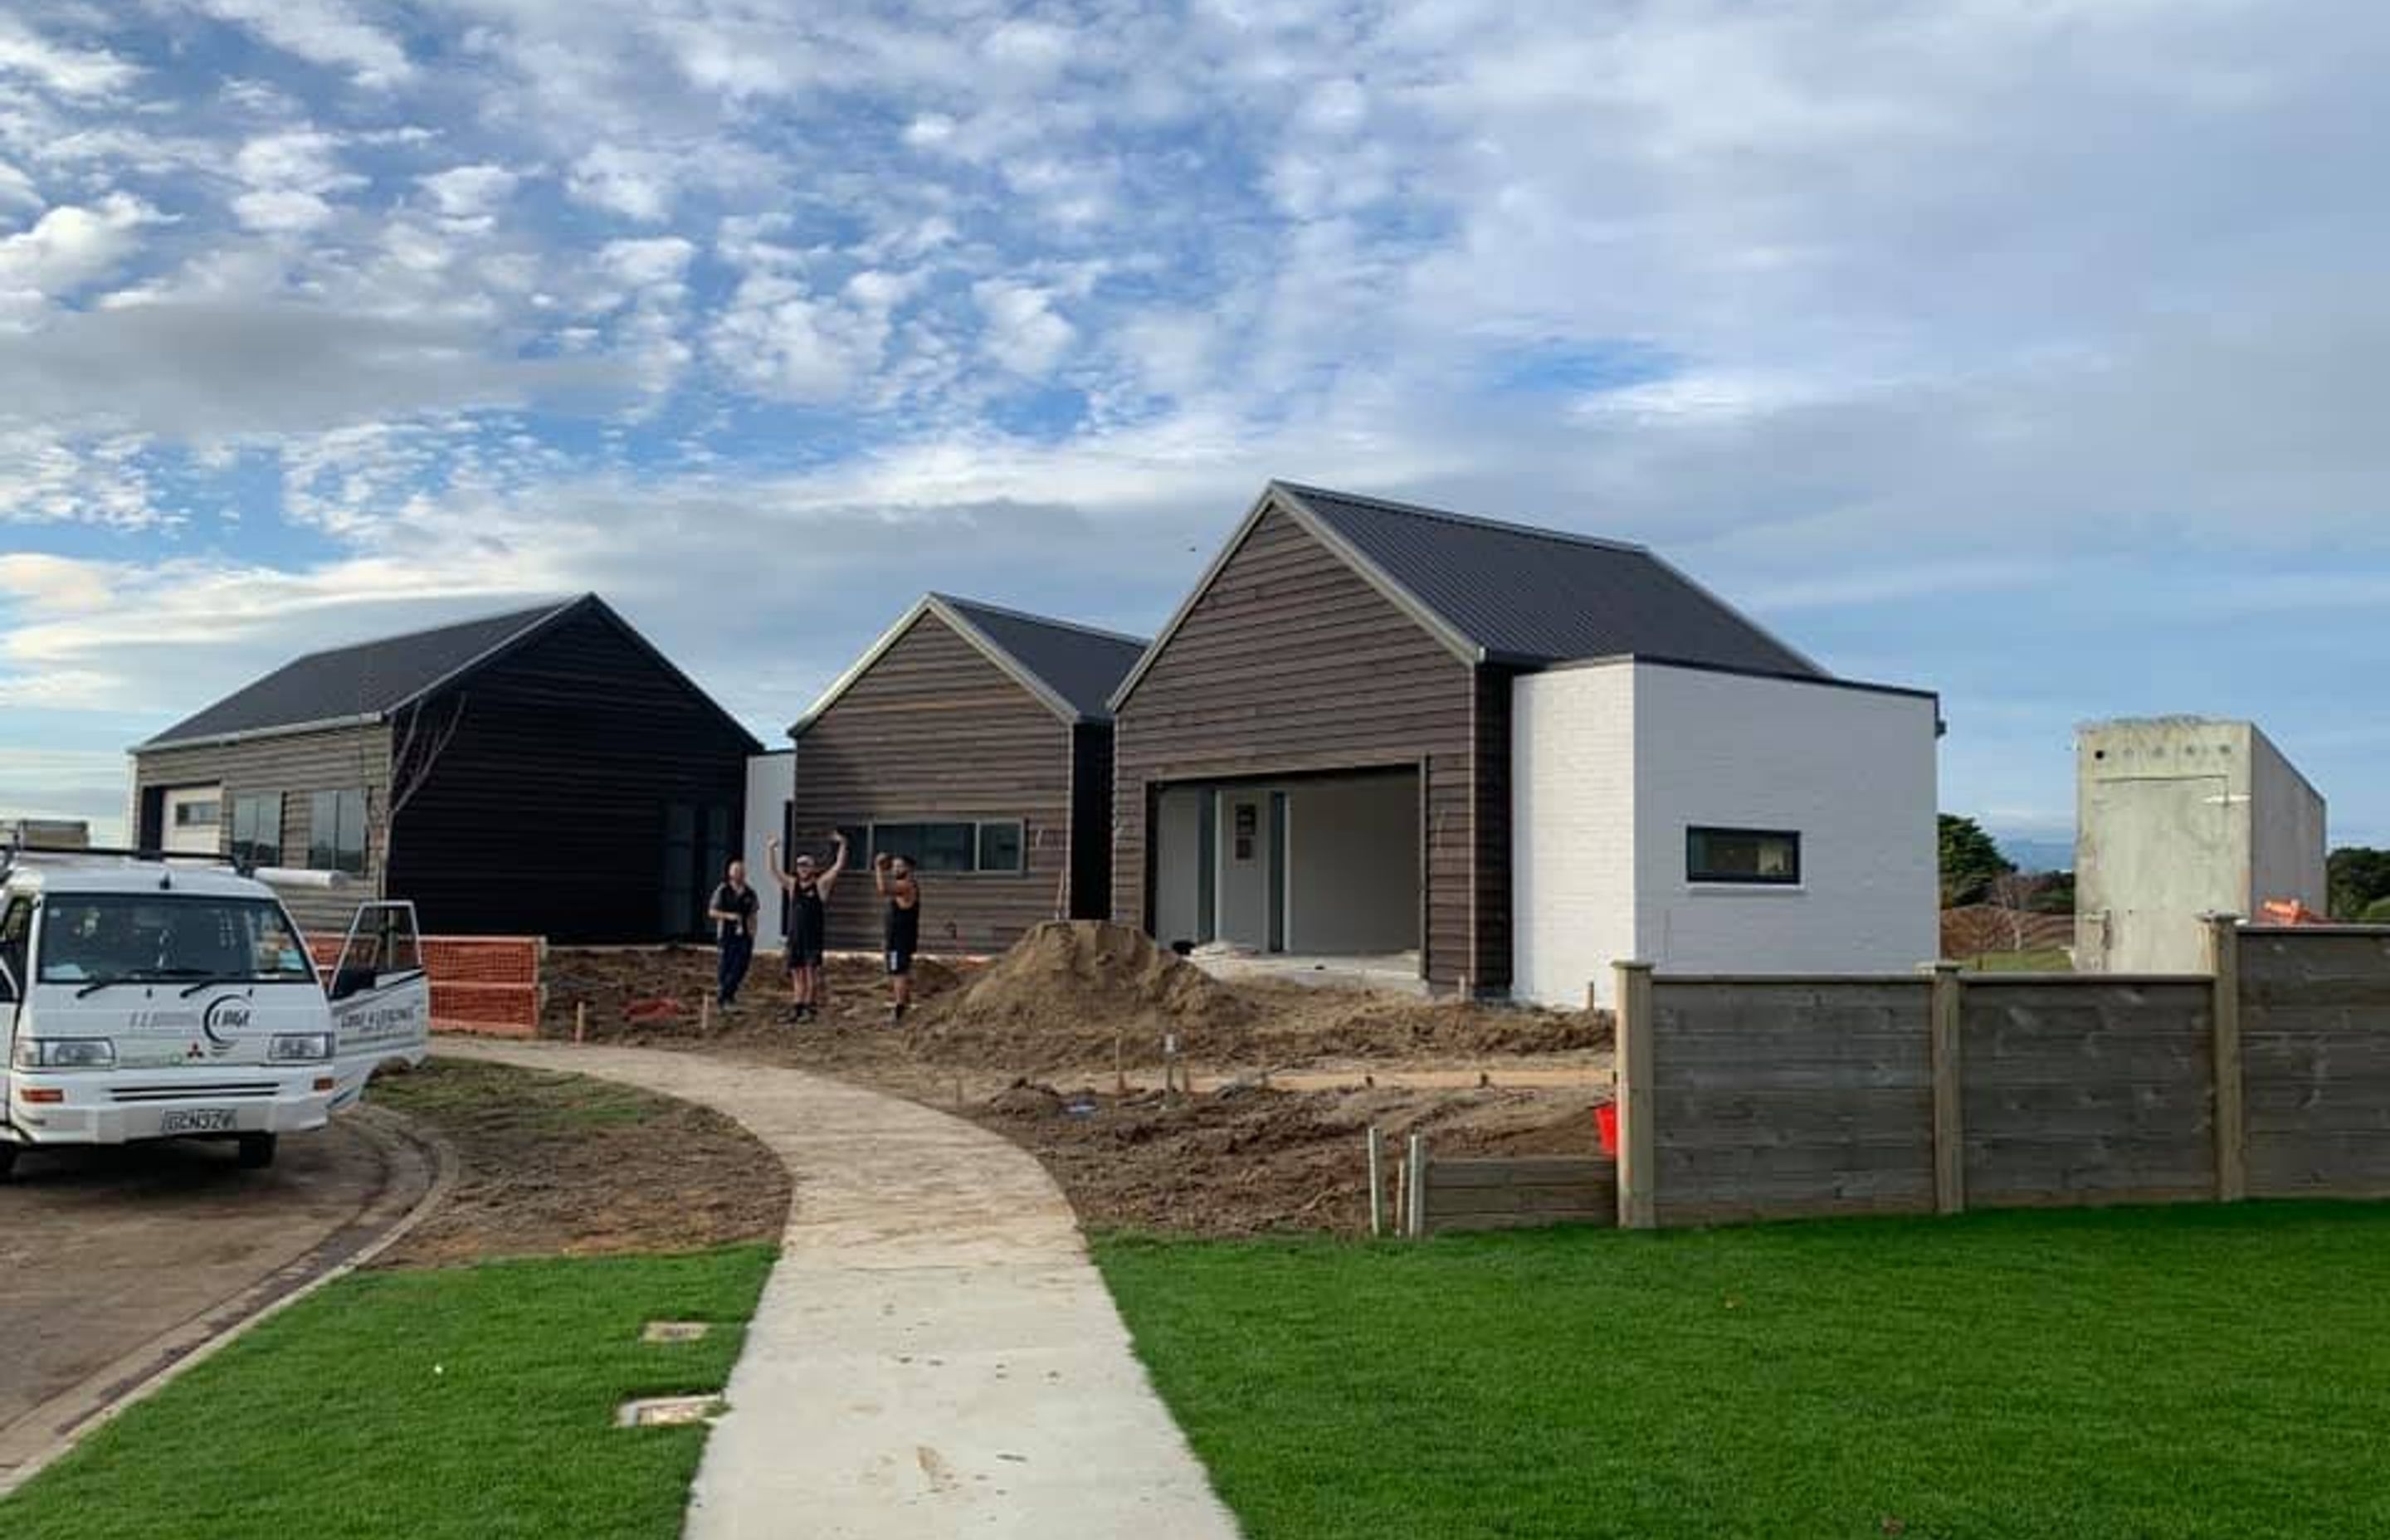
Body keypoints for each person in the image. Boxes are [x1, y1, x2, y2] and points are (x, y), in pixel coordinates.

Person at [768, 831, 846, 1021]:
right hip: (795, 937)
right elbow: (774, 872)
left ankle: (810, 1008)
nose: (802, 868)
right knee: (797, 973)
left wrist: (843, 845)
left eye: (806, 865)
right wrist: (770, 849)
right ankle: (797, 1006)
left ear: (813, 868)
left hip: (813, 937)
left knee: (811, 973)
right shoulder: (793, 885)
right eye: (800, 865)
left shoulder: (820, 885)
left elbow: (838, 867)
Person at [874, 850, 921, 1023]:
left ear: (909, 869)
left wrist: (878, 868)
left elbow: (882, 889)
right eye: (893, 866)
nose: (895, 869)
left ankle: (899, 1010)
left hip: (901, 939)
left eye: (899, 866)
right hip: (896, 937)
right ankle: (905, 1005)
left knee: (898, 973)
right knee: (899, 972)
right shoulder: (903, 884)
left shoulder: (907, 885)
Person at [707, 858, 761, 1006]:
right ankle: (725, 996)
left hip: (744, 935)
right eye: (736, 871)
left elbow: (753, 914)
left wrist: (753, 933)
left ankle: (727, 993)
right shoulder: (722, 890)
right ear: (730, 873)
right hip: (726, 934)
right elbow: (712, 912)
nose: (739, 874)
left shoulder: (750, 893)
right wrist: (728, 916)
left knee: (741, 966)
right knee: (726, 965)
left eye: (742, 871)